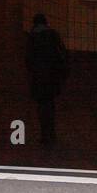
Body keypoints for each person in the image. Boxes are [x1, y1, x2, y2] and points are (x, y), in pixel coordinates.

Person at [25, 13, 68, 145]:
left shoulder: (32, 37)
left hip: (38, 77)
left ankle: (44, 134)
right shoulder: (53, 34)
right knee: (50, 104)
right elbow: (62, 54)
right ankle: (52, 133)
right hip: (52, 76)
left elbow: (28, 59)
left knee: (42, 105)